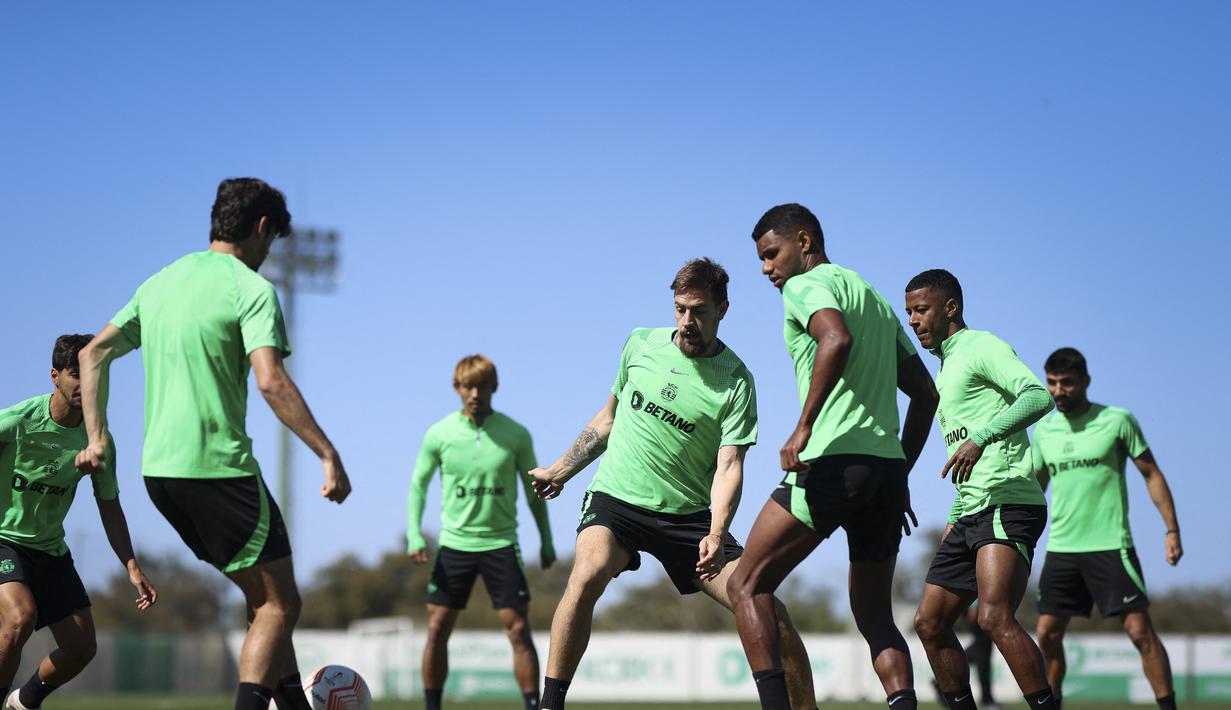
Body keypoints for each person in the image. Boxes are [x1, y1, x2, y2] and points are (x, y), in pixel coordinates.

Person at [74, 178, 352, 710]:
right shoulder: (250, 288)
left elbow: (92, 354)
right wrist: (327, 452)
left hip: (159, 475)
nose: (269, 255)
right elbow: (271, 382)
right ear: (263, 227)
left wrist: (98, 436)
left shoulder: (160, 283)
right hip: (217, 470)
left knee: (262, 598)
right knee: (281, 603)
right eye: (271, 243)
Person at [531, 258, 816, 710]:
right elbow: (607, 420)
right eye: (680, 309)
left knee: (763, 605)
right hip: (616, 502)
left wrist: (717, 533)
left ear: (722, 309)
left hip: (688, 517)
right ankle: (549, 706)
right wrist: (561, 470)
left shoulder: (737, 381)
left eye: (699, 311)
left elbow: (729, 467)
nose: (687, 321)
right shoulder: (639, 344)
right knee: (586, 573)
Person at [728, 203, 938, 710]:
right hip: (884, 472)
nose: (765, 270)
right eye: (760, 260)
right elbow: (925, 395)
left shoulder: (806, 285)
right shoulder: (872, 295)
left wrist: (803, 427)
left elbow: (834, 337)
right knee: (875, 619)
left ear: (804, 241)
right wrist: (899, 470)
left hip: (832, 462)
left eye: (771, 254)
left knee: (746, 585)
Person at [903, 268, 1057, 710]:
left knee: (993, 617)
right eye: (909, 312)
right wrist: (954, 518)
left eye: (921, 309)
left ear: (950, 308)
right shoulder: (945, 369)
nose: (913, 320)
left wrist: (981, 438)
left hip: (1008, 501)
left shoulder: (981, 346)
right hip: (971, 510)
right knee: (929, 622)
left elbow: (1036, 396)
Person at [0, 335, 155, 710]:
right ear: (55, 376)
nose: (86, 385)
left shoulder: (99, 440)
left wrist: (132, 566)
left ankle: (24, 701)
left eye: (93, 375)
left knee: (82, 647)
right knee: (20, 618)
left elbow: (109, 505)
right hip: (5, 540)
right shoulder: (18, 421)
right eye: (76, 375)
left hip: (51, 549)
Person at [1032, 347, 1181, 710]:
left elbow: (1152, 474)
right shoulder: (1044, 429)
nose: (1058, 391)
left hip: (1111, 545)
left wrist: (1171, 530)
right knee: (1047, 634)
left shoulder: (1117, 420)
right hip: (1063, 548)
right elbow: (1034, 488)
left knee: (1139, 632)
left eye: (1066, 383)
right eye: (1051, 383)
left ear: (1085, 381)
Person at [408, 354, 555, 710]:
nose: (475, 393)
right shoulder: (439, 434)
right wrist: (414, 533)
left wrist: (546, 539)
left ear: (494, 387)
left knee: (518, 629)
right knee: (437, 628)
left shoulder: (516, 434)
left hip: (501, 543)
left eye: (483, 386)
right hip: (454, 544)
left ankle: (533, 704)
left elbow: (533, 491)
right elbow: (418, 485)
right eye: (468, 386)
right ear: (457, 389)